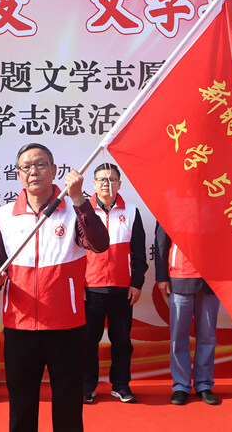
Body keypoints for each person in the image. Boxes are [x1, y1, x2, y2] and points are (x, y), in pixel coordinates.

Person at [0, 143, 109, 432]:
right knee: (22, 404)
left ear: (53, 170)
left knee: (68, 403)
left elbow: (99, 244)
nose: (33, 171)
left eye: (40, 165)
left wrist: (78, 198)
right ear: (18, 174)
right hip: (20, 325)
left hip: (67, 324)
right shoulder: (6, 214)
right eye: (26, 167)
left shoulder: (74, 209)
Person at [82, 162, 147, 404]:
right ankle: (87, 386)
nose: (106, 184)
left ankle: (120, 385)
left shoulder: (131, 211)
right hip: (90, 288)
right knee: (88, 341)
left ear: (120, 184)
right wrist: (78, 285)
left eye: (111, 180)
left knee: (121, 340)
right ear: (94, 184)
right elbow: (73, 253)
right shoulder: (83, 212)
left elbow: (139, 253)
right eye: (102, 179)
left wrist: (137, 283)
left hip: (122, 288)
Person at [154, 223, 221, 406]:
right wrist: (161, 277)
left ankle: (204, 384)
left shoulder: (216, 207)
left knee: (207, 336)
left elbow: (226, 240)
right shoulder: (171, 208)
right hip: (180, 277)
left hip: (211, 279)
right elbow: (161, 241)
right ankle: (181, 386)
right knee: (178, 337)